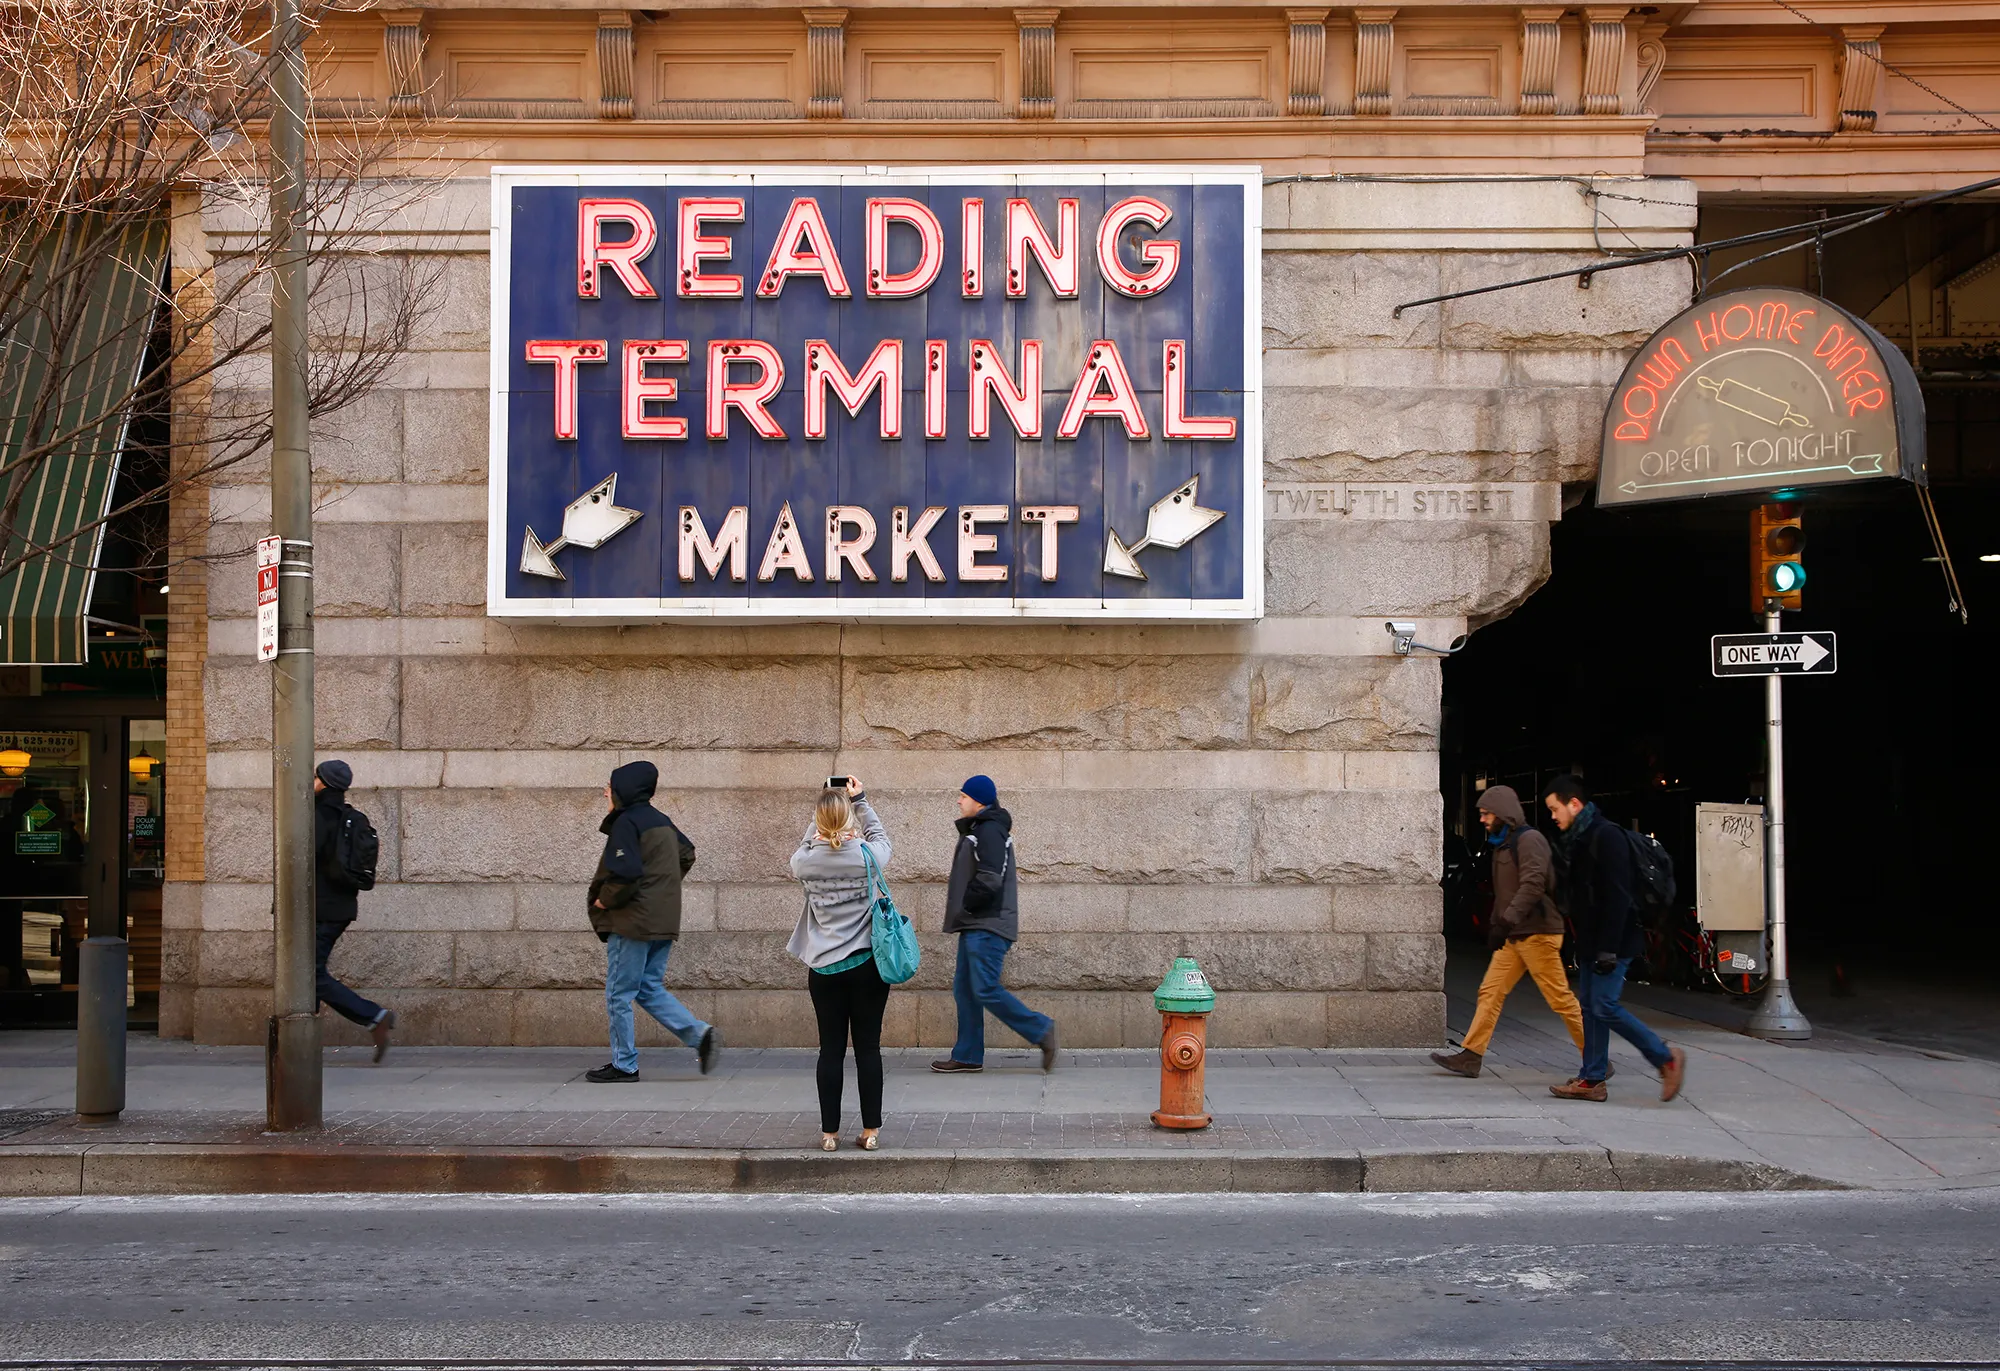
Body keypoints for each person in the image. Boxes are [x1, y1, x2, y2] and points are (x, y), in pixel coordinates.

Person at [1543, 774, 1686, 1103]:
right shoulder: (1580, 838)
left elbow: (1618, 898)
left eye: (1555, 808)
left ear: (1574, 804)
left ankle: (1665, 1058)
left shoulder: (1606, 837)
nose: (1552, 816)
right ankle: (1592, 1079)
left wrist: (1607, 948)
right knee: (1591, 1009)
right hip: (1595, 941)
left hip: (1614, 942)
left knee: (1604, 1006)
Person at [1431, 784, 1585, 1078]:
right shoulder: (1504, 843)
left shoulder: (1529, 841)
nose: (1482, 819)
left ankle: (1595, 1058)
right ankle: (1472, 1055)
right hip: (1517, 934)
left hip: (1538, 933)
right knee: (1490, 991)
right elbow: (1507, 892)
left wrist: (1504, 921)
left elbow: (1533, 884)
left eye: (1486, 813)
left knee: (1560, 1000)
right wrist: (1498, 923)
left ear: (1502, 813)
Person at [585, 760, 718, 1083]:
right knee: (647, 987)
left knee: (619, 992)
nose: (605, 792)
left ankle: (624, 1064)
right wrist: (661, 889)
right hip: (661, 919)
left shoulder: (626, 822)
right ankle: (699, 1035)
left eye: (609, 787)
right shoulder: (661, 820)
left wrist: (605, 899)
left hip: (632, 921)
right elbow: (686, 854)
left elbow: (626, 872)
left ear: (622, 791)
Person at [788, 776, 893, 1151]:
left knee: (830, 1050)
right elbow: (882, 838)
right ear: (849, 819)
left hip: (824, 969)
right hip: (867, 964)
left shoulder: (805, 862)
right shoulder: (867, 855)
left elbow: (802, 847)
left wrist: (820, 815)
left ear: (818, 821)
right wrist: (860, 800)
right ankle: (871, 1132)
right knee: (869, 1049)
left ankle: (829, 1133)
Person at [931, 774, 1058, 1074]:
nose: (959, 800)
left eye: (963, 796)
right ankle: (968, 1055)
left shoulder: (989, 831)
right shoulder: (980, 829)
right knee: (965, 989)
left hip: (987, 924)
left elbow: (989, 879)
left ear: (978, 800)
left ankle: (1040, 1030)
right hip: (975, 924)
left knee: (985, 988)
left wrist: (966, 904)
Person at [312, 760, 395, 1062]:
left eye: (315, 777)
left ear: (324, 782)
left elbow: (305, 860)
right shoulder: (348, 817)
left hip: (320, 909)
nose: (312, 781)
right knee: (308, 973)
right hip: (341, 907)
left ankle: (374, 1015)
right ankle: (304, 1041)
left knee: (307, 975)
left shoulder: (318, 816)